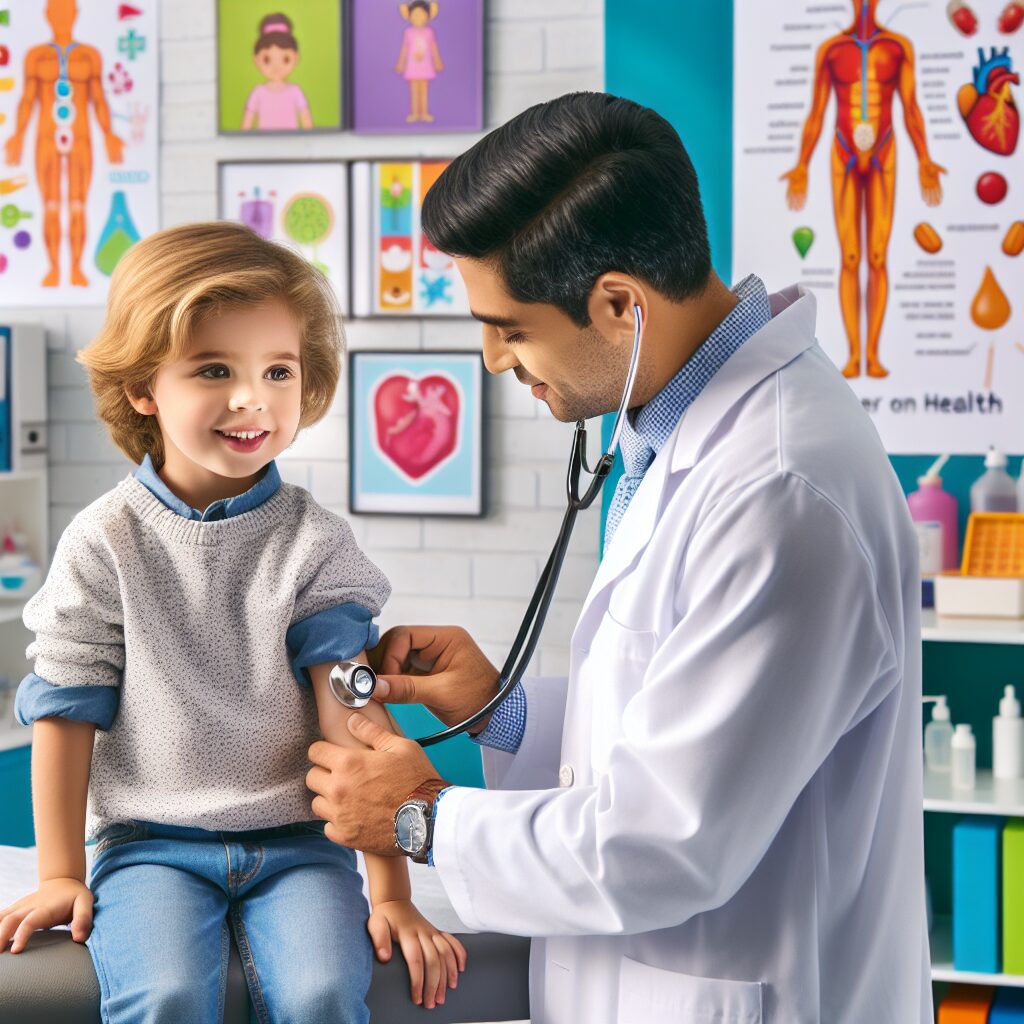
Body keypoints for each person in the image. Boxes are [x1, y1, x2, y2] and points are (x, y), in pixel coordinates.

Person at [305, 92, 931, 1023]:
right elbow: (687, 729)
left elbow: (667, 840)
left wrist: (419, 817)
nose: (489, 359)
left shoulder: (782, 491)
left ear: (619, 305)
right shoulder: (677, 437)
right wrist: (500, 711)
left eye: (509, 327)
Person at [0, 222, 465, 1021]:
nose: (252, 398)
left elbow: (352, 713)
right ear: (146, 388)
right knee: (168, 995)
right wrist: (60, 874)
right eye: (215, 369)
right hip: (151, 849)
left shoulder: (314, 541)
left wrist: (391, 889)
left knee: (324, 993)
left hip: (302, 851)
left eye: (277, 370)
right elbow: (64, 717)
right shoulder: (103, 542)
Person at [3, 0, 124, 287]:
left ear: (75, 15)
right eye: (56, 13)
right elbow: (27, 100)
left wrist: (109, 134)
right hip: (45, 137)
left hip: (81, 137)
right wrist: (18, 135)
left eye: (66, 12)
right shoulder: (36, 56)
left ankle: (77, 269)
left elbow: (98, 99)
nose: (61, 18)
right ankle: (55, 269)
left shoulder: (89, 55)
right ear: (47, 15)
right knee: (52, 204)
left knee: (79, 204)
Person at [242, 13, 313, 131]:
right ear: (256, 60)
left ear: (296, 58)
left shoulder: (295, 91)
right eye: (267, 59)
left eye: (285, 59)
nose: (276, 67)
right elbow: (247, 123)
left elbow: (307, 122)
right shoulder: (258, 92)